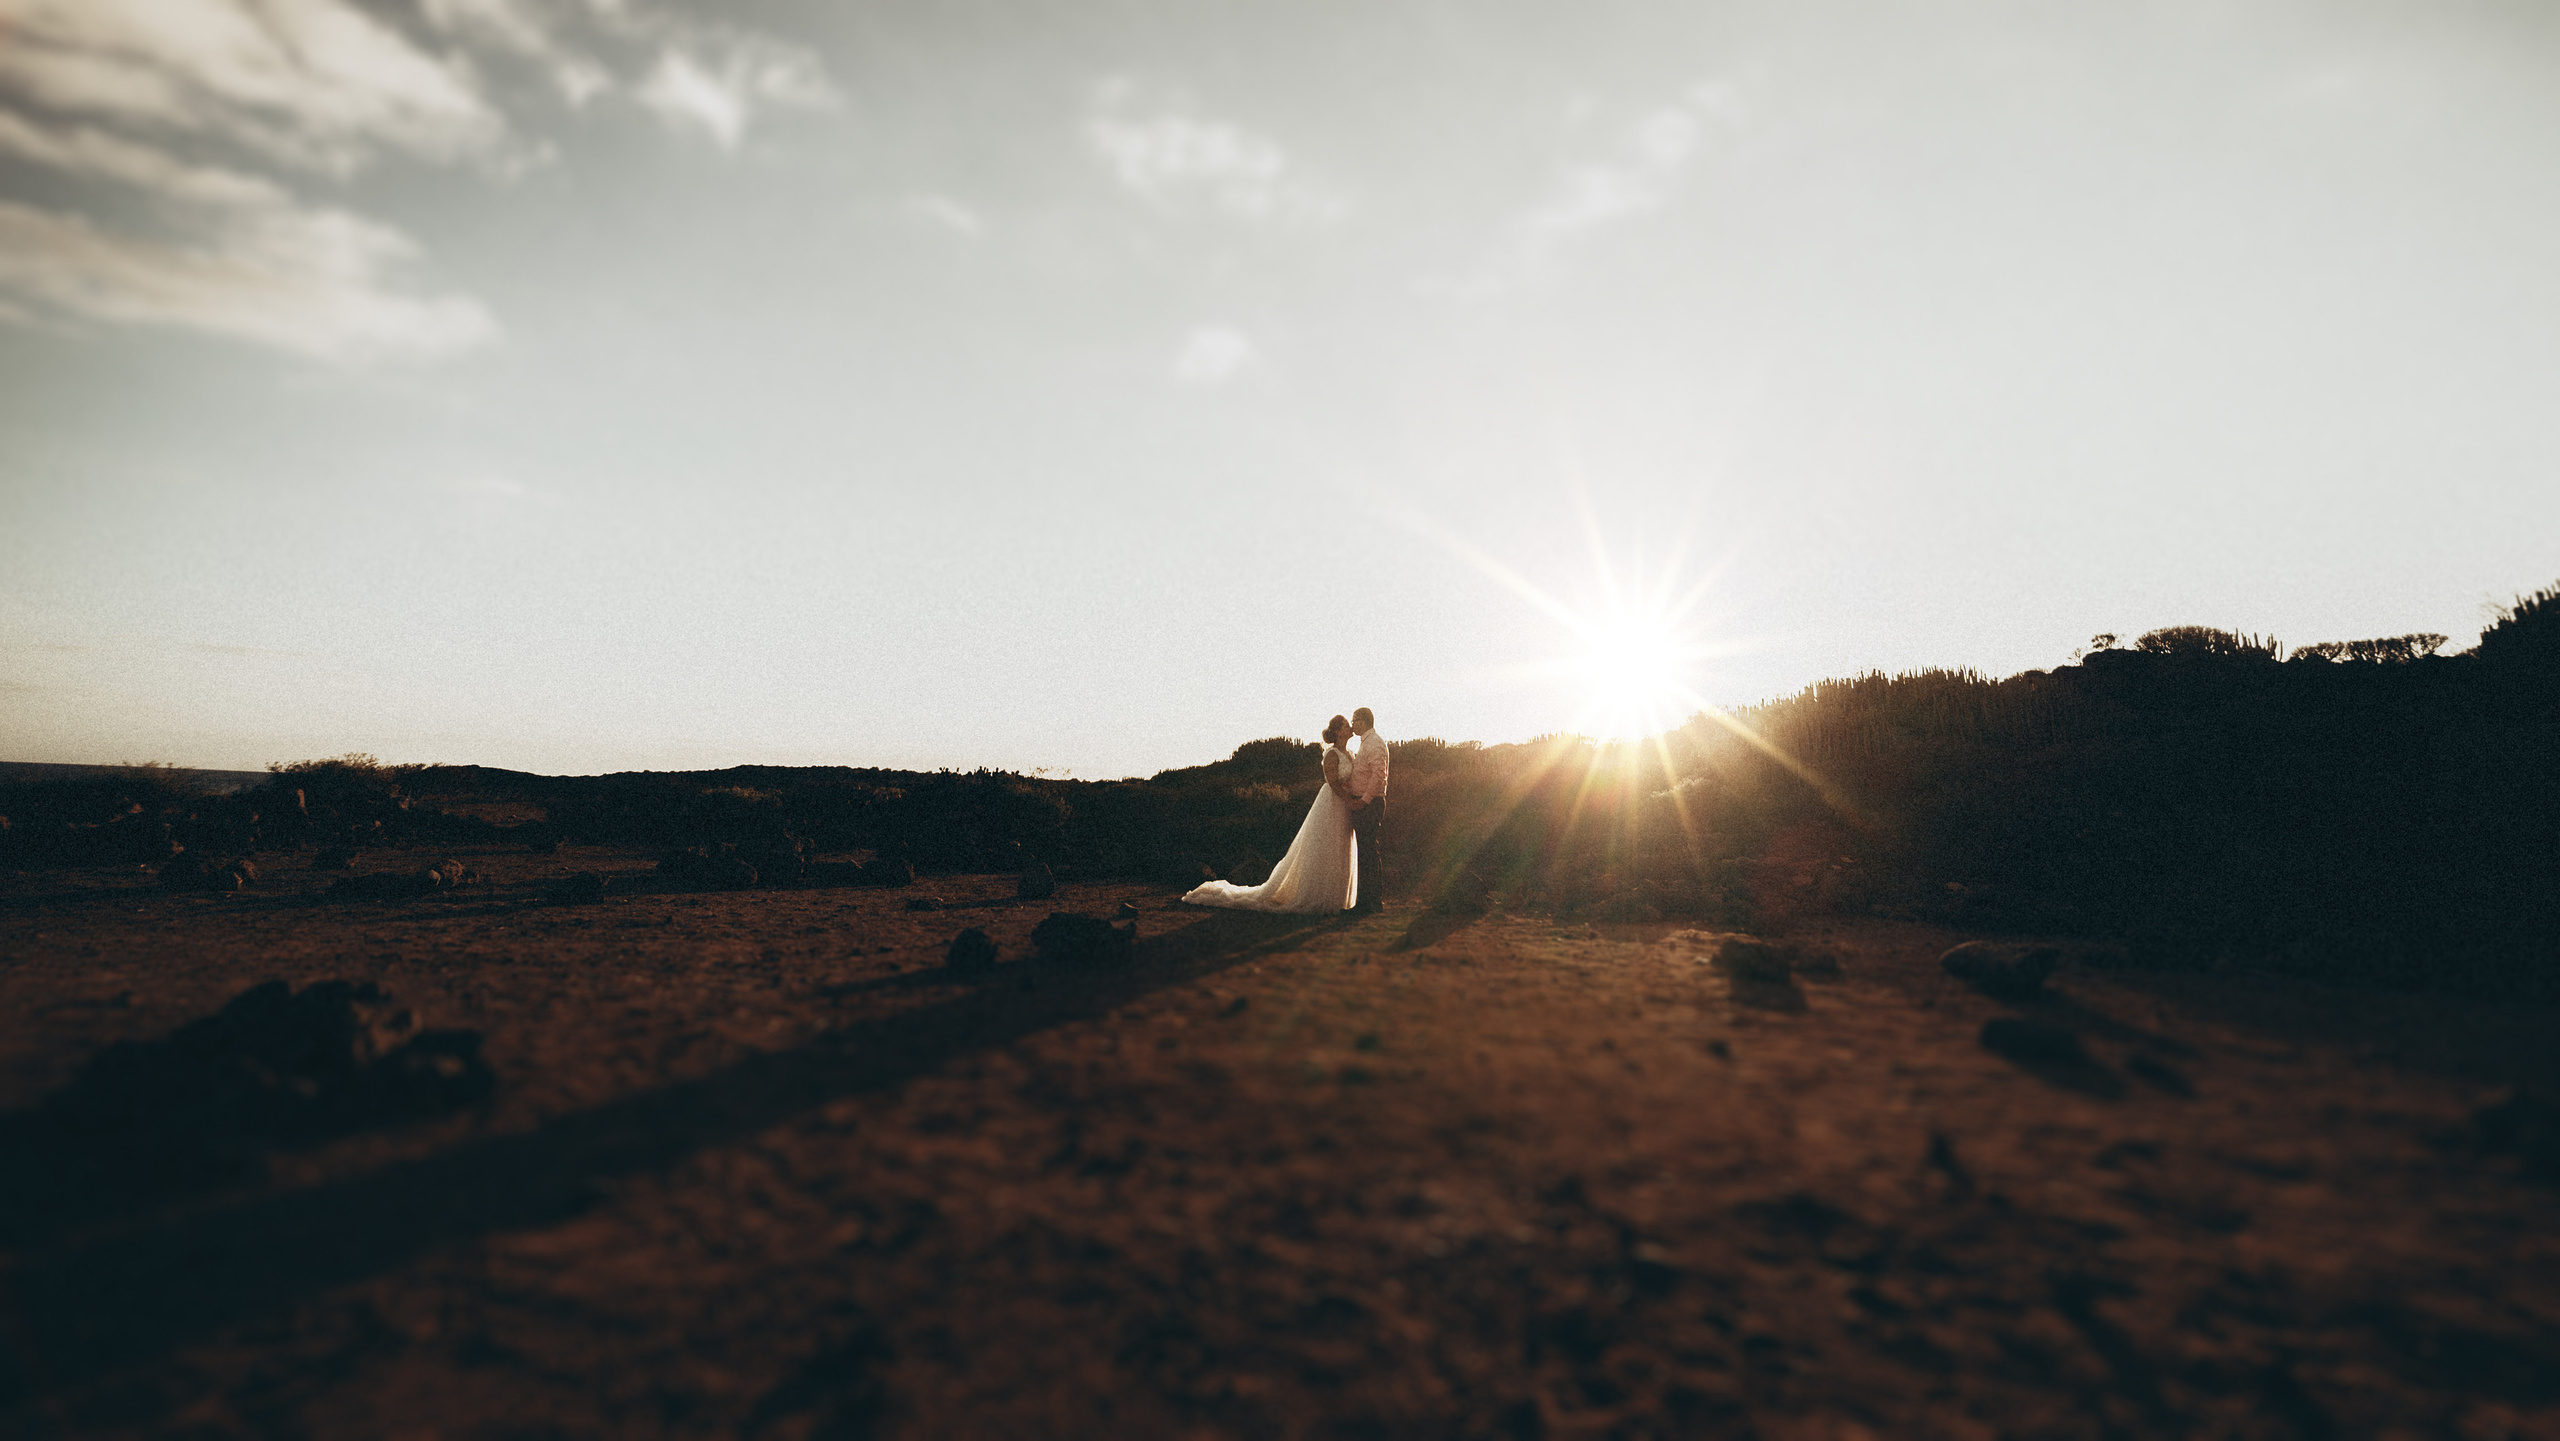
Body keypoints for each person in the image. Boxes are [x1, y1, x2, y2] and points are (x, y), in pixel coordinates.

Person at [1180, 716, 1359, 914]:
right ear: (1337, 731)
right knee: (1327, 848)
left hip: (1344, 806)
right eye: (1345, 725)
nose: (1350, 727)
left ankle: (1338, 898)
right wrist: (1349, 799)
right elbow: (1333, 782)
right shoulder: (1332, 754)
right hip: (1333, 803)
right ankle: (1320, 897)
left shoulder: (1350, 753)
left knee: (1341, 847)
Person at [1345, 707, 1388, 914]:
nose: (1352, 724)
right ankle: (1368, 900)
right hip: (1363, 803)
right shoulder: (1366, 743)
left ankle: (1371, 902)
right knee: (1365, 851)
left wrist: (1364, 801)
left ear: (1363, 722)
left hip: (1369, 805)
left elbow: (1379, 775)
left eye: (1354, 721)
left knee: (1368, 851)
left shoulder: (1375, 743)